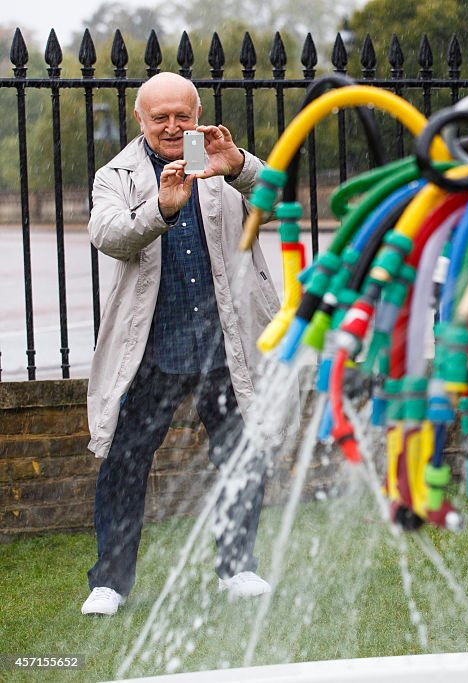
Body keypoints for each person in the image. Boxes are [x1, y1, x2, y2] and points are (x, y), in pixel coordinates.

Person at [81, 72, 281, 616]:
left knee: (242, 455)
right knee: (124, 464)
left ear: (197, 113)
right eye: (160, 116)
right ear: (140, 120)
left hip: (224, 343)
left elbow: (277, 200)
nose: (173, 126)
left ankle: (238, 567)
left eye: (182, 115)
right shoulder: (115, 174)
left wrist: (239, 167)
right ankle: (111, 583)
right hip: (151, 349)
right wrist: (162, 209)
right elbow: (108, 234)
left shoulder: (218, 157)